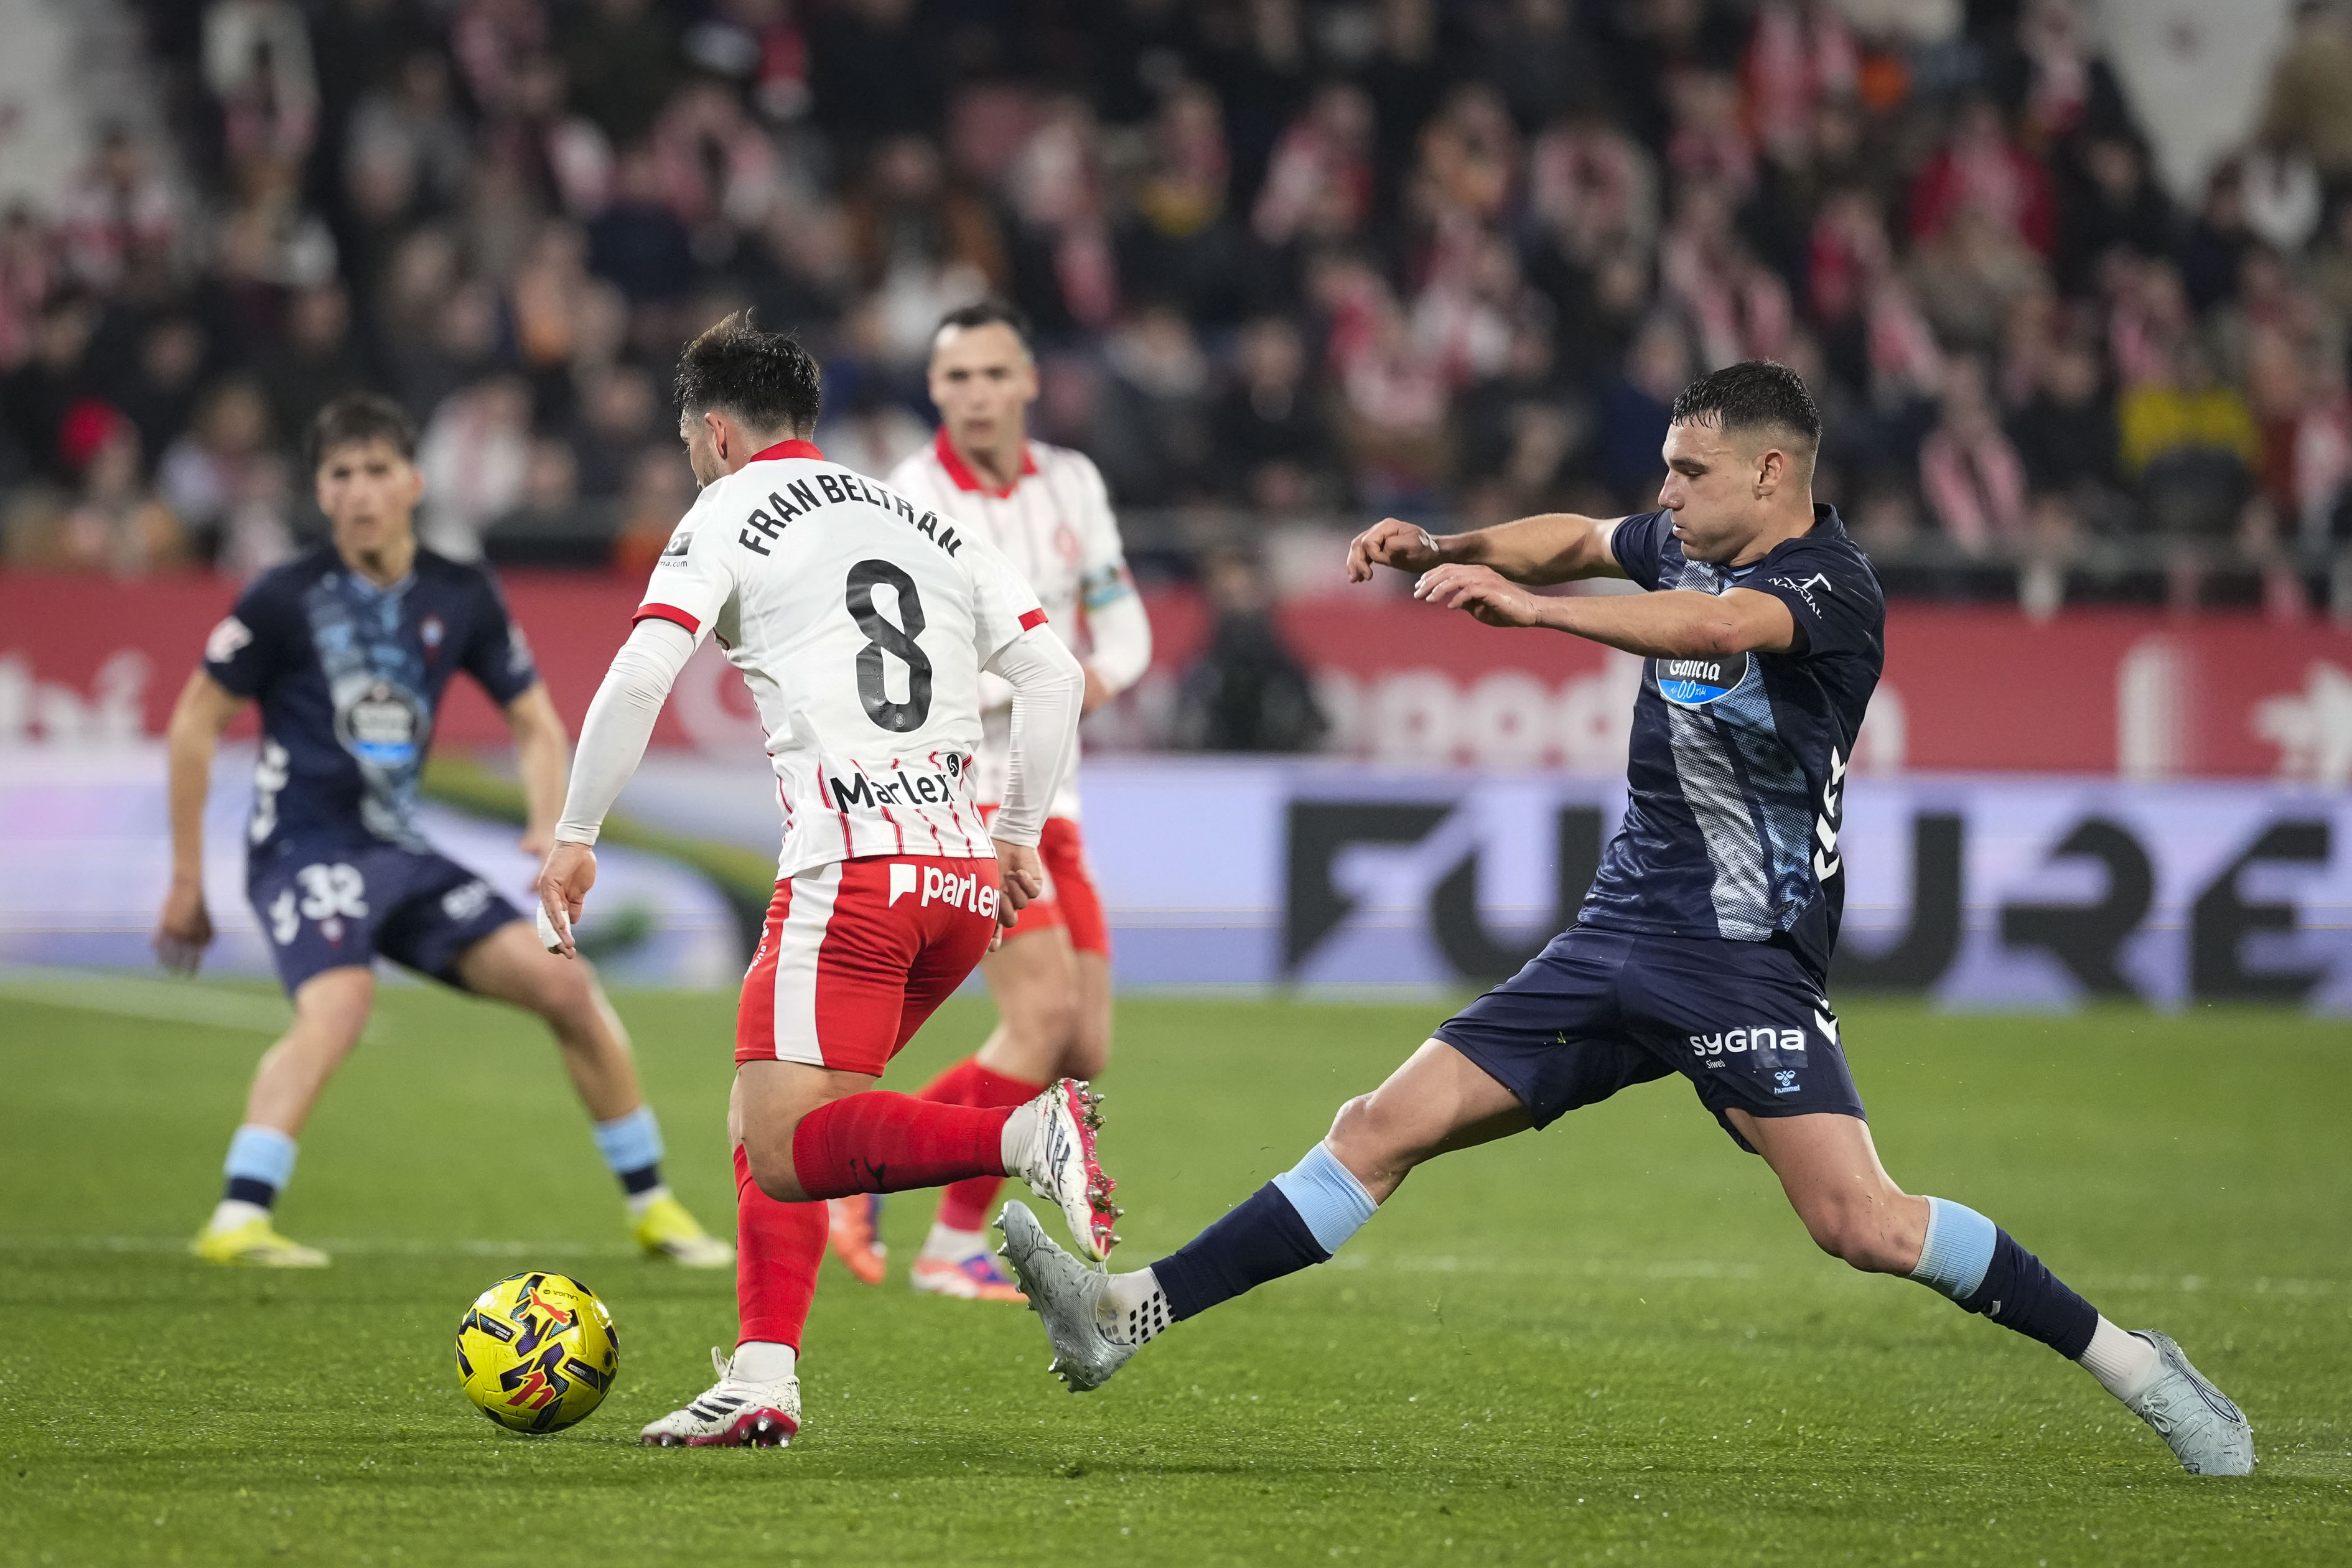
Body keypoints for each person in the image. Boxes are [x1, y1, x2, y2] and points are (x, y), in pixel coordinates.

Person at [999, 361, 2256, 1479]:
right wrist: (1451, 543)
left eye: (1691, 471)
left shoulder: (1832, 586)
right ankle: (1124, 1315)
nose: (1668, 492)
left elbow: (1715, 628)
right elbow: (1582, 539)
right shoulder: (1681, 537)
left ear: (1772, 474)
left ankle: (2140, 1367)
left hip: (1744, 961)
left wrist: (1535, 613)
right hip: (1614, 936)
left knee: (1863, 1226)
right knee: (1376, 1128)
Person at [533, 312, 1113, 1449]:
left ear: (715, 433)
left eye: (691, 441)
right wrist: (1015, 832)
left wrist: (575, 830)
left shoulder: (727, 508)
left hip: (853, 870)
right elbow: (1055, 673)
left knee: (788, 1141)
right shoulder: (920, 517)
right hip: (958, 883)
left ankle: (1020, 1134)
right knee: (780, 1119)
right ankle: (762, 1377)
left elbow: (641, 673)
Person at [154, 392, 730, 1271]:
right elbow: (195, 724)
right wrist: (187, 878)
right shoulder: (283, 596)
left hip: (401, 853)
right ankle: (239, 1215)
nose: (360, 491)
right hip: (305, 847)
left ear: (413, 483)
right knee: (340, 1005)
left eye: (377, 470)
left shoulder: (458, 592)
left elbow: (535, 723)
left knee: (567, 988)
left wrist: (547, 824)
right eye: (341, 474)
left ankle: (656, 1209)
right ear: (321, 489)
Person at [816, 302, 1150, 1302]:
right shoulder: (906, 499)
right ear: (934, 389)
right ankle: (941, 1237)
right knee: (1039, 1016)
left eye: (994, 374)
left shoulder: (1074, 482)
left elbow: (1122, 622)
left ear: (1029, 382)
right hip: (964, 796)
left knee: (1081, 1046)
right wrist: (1038, 682)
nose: (976, 394)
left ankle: (860, 1157)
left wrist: (1088, 683)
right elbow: (901, 669)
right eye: (957, 377)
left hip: (1056, 792)